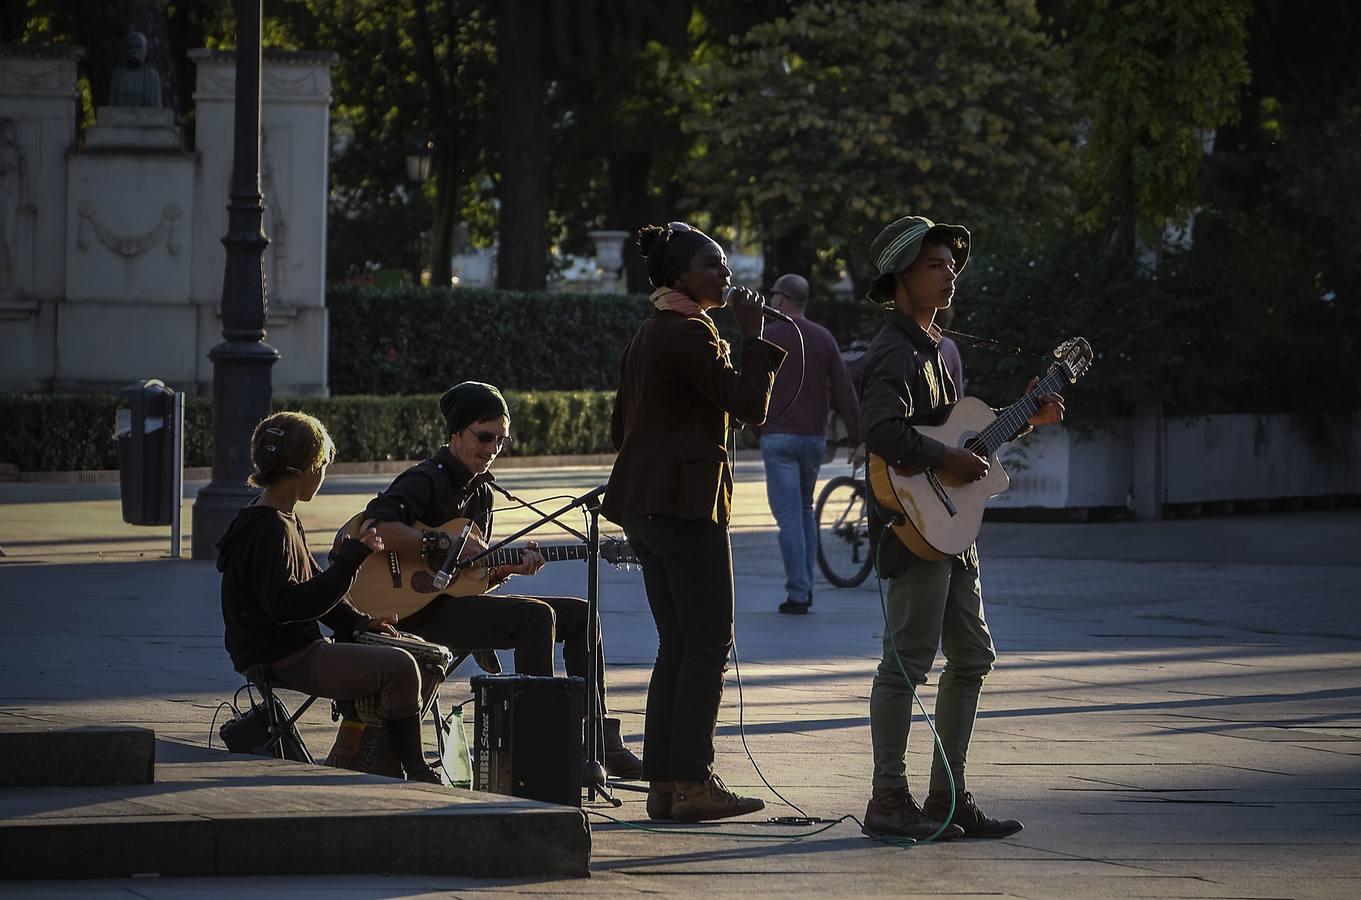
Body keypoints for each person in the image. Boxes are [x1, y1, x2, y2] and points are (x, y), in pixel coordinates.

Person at [857, 215, 1064, 840]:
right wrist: (947, 458)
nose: (949, 274)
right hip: (912, 526)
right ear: (901, 278)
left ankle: (949, 797)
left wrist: (1024, 418)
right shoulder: (893, 349)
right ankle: (888, 800)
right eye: (934, 265)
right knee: (906, 663)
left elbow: (961, 437)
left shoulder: (941, 347)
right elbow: (882, 433)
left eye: (952, 264)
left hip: (953, 531)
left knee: (973, 655)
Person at [357, 381, 643, 780]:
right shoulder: (425, 479)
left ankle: (596, 743)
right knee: (536, 618)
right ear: (455, 434)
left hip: (449, 604)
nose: (492, 449)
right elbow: (376, 526)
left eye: (501, 440)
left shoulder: (483, 494)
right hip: (411, 612)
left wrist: (502, 570)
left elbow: (468, 579)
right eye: (484, 437)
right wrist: (442, 540)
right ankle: (538, 749)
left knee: (582, 615)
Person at [602, 222, 787, 822]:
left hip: (646, 506)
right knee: (708, 641)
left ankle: (666, 784)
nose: (726, 273)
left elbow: (622, 425)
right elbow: (749, 404)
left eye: (725, 262)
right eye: (712, 264)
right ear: (680, 276)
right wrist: (754, 338)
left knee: (679, 644)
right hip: (685, 506)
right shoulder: (687, 333)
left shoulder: (651, 333)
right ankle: (690, 781)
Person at [217, 412, 442, 784]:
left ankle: (355, 760)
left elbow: (315, 584)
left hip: (288, 647)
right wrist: (352, 559)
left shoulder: (280, 517)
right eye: (322, 465)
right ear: (307, 467)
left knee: (388, 649)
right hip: (283, 656)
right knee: (402, 667)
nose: (322, 475)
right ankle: (415, 772)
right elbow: (289, 605)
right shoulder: (268, 528)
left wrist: (358, 622)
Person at [761, 272, 862, 614]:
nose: (770, 300)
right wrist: (856, 437)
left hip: (778, 437)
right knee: (804, 509)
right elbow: (846, 391)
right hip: (814, 439)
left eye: (773, 294)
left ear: (782, 300)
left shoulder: (769, 335)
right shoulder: (823, 338)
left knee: (789, 515)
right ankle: (805, 586)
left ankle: (799, 593)